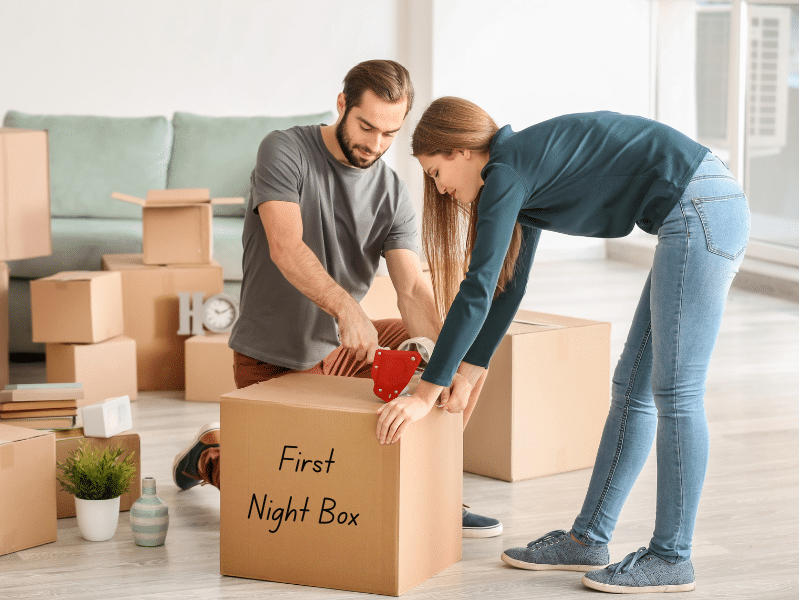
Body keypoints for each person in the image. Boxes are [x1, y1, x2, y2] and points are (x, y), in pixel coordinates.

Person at [376, 96, 750, 593]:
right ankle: (588, 540)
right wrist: (468, 370)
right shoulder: (521, 172)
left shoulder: (507, 171)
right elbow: (508, 288)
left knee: (676, 393)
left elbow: (478, 287)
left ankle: (671, 557)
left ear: (461, 151)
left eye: (436, 172)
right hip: (694, 210)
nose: (441, 190)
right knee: (631, 389)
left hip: (701, 207)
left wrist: (426, 391)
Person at [172, 62, 502, 538]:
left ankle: (436, 487)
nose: (375, 144)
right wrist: (347, 308)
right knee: (299, 506)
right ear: (342, 104)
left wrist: (443, 366)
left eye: (390, 133)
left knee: (461, 349)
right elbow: (286, 247)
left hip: (346, 351)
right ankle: (210, 454)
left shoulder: (391, 192)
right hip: (275, 361)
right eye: (366, 126)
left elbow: (410, 287)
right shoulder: (284, 150)